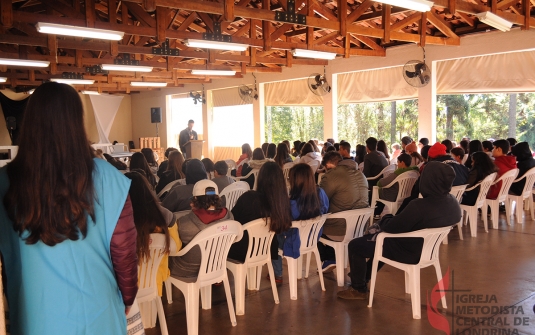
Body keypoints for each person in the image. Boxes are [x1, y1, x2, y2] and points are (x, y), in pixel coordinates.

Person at [0, 82, 138, 334]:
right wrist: (128, 297)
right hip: (97, 315)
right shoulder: (108, 178)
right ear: (77, 122)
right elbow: (124, 252)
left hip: (33, 316)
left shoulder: (5, 181)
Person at [337, 162, 461, 300]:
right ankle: (363, 278)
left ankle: (358, 289)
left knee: (355, 245)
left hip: (407, 251)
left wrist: (386, 219)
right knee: (378, 243)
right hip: (426, 250)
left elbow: (392, 228)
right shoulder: (453, 202)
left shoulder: (419, 206)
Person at [227, 162, 292, 283]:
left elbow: (232, 220)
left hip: (242, 250)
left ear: (260, 178)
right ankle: (277, 273)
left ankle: (217, 278)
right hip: (267, 250)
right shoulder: (282, 202)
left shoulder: (249, 197)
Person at [125, 171, 181, 296]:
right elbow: (175, 248)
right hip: (156, 279)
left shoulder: (116, 218)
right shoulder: (166, 215)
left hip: (125, 285)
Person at [272, 163, 329, 277]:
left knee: (272, 237)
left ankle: (276, 273)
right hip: (313, 238)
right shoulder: (320, 193)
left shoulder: (292, 203)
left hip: (294, 242)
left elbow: (284, 227)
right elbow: (326, 210)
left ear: (296, 181)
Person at [168, 179, 233, 279]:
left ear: (194, 200)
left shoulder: (185, 224)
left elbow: (176, 245)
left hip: (188, 269)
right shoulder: (229, 217)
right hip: (217, 265)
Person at [319, 152, 368, 239]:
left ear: (328, 165)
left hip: (338, 230)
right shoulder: (361, 174)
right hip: (360, 228)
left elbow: (319, 201)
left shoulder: (331, 175)